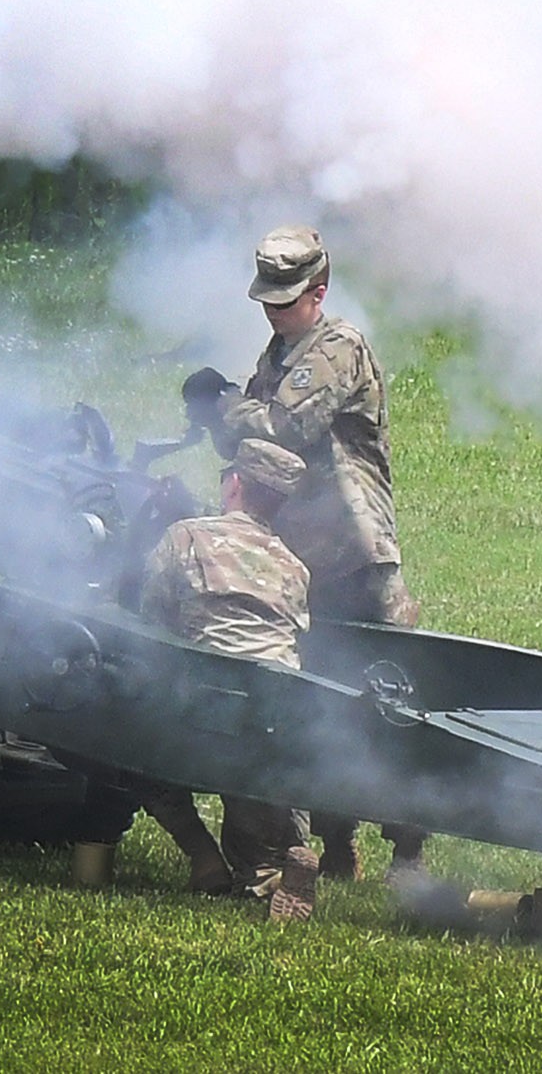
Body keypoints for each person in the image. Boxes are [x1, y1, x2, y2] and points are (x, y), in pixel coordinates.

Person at [182, 224, 426, 879]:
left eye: (287, 298)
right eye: (268, 297)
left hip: (354, 552)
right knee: (315, 701)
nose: (274, 308)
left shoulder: (336, 348)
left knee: (389, 699)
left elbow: (283, 429)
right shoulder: (278, 356)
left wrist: (225, 407)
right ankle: (335, 839)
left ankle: (408, 847)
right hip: (298, 556)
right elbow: (248, 451)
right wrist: (220, 414)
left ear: (319, 292)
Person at [136, 438, 320, 922]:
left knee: (125, 740)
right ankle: (278, 865)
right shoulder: (294, 567)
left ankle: (202, 858)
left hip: (198, 712)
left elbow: (151, 619)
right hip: (275, 719)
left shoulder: (185, 538)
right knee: (266, 781)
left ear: (234, 483)